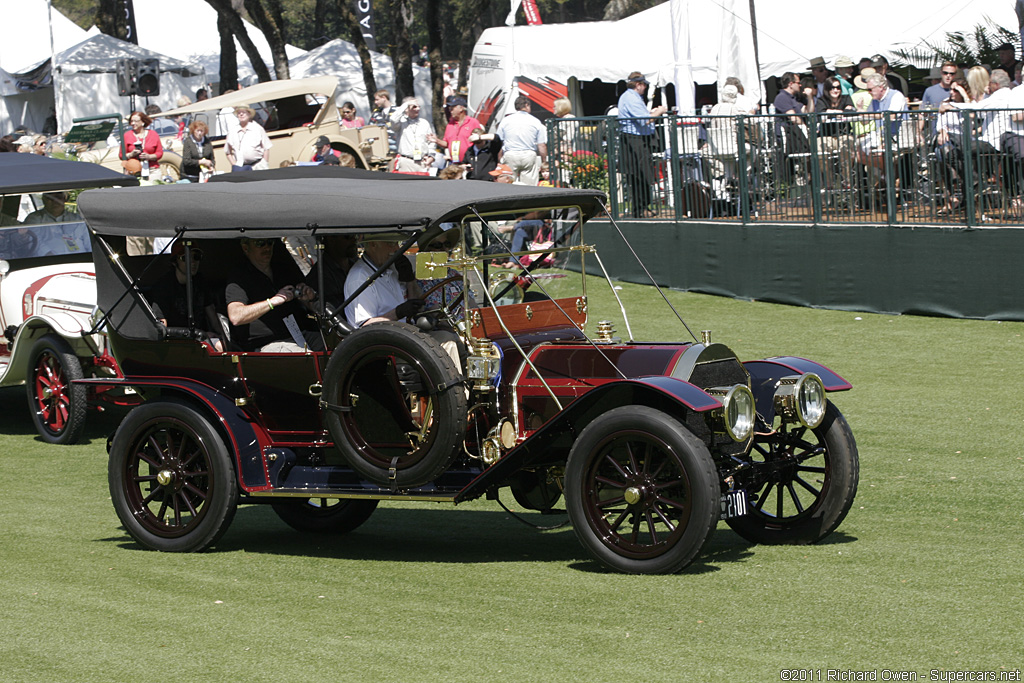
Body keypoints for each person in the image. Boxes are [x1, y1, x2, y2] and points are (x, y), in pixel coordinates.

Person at [225, 237, 321, 352]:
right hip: (267, 342)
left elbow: (309, 305)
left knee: (335, 350)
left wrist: (309, 297)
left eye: (270, 242)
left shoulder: (282, 269)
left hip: (300, 333)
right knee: (305, 357)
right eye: (260, 243)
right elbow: (236, 316)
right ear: (246, 248)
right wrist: (272, 301)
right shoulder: (239, 277)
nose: (267, 247)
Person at [150, 242, 223, 351]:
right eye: (185, 258)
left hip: (203, 339)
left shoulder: (201, 281)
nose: (192, 262)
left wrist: (224, 336)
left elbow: (212, 315)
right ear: (175, 262)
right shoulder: (164, 286)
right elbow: (161, 325)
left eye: (196, 257)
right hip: (176, 342)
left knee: (222, 345)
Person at [617, 71, 667, 218]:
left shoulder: (630, 97)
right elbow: (644, 120)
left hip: (635, 138)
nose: (645, 87)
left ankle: (642, 208)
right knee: (640, 175)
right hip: (635, 139)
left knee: (639, 175)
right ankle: (641, 209)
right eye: (644, 85)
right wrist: (659, 111)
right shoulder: (631, 98)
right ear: (638, 84)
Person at [343, 237, 423, 327]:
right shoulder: (360, 277)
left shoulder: (391, 267)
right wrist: (398, 313)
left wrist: (410, 280)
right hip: (382, 339)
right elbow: (366, 326)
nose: (397, 248)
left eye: (397, 243)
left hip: (405, 332)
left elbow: (417, 305)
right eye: (391, 244)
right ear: (373, 244)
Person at [495, 95, 548, 185]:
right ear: (527, 105)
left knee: (508, 183)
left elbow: (499, 141)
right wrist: (544, 161)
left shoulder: (505, 121)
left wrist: (499, 160)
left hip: (511, 154)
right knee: (529, 186)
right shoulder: (535, 121)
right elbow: (541, 145)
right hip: (528, 154)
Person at [305, 234, 358, 311]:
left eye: (355, 236)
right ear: (331, 239)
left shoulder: (357, 264)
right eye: (348, 237)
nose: (354, 240)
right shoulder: (319, 277)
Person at [428, 96, 481, 165]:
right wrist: (437, 141)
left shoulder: (473, 122)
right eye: (450, 109)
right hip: (454, 163)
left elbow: (481, 141)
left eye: (452, 108)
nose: (450, 111)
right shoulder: (450, 125)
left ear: (461, 108)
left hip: (470, 163)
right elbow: (447, 144)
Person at [390, 97, 436, 172]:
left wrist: (431, 157)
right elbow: (393, 119)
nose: (418, 109)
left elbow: (431, 142)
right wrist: (406, 104)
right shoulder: (401, 122)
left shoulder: (424, 123)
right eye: (414, 107)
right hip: (406, 162)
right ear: (406, 109)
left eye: (418, 106)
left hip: (422, 162)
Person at [225, 106, 271, 172]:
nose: (241, 114)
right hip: (240, 168)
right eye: (239, 113)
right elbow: (227, 152)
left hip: (258, 166)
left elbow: (266, 147)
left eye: (243, 112)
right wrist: (234, 164)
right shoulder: (232, 131)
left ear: (249, 114)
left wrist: (264, 163)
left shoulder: (258, 129)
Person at [119, 111, 163, 179]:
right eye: (131, 121)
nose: (133, 123)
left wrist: (149, 156)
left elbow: (159, 153)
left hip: (152, 170)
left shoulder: (153, 134)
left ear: (143, 122)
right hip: (134, 171)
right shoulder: (127, 135)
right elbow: (121, 155)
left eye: (136, 121)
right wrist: (131, 154)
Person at [369, 89, 398, 154]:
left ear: (384, 98)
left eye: (377, 100)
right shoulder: (376, 113)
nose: (375, 102)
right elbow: (370, 127)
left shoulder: (397, 111)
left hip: (396, 146)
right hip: (381, 147)